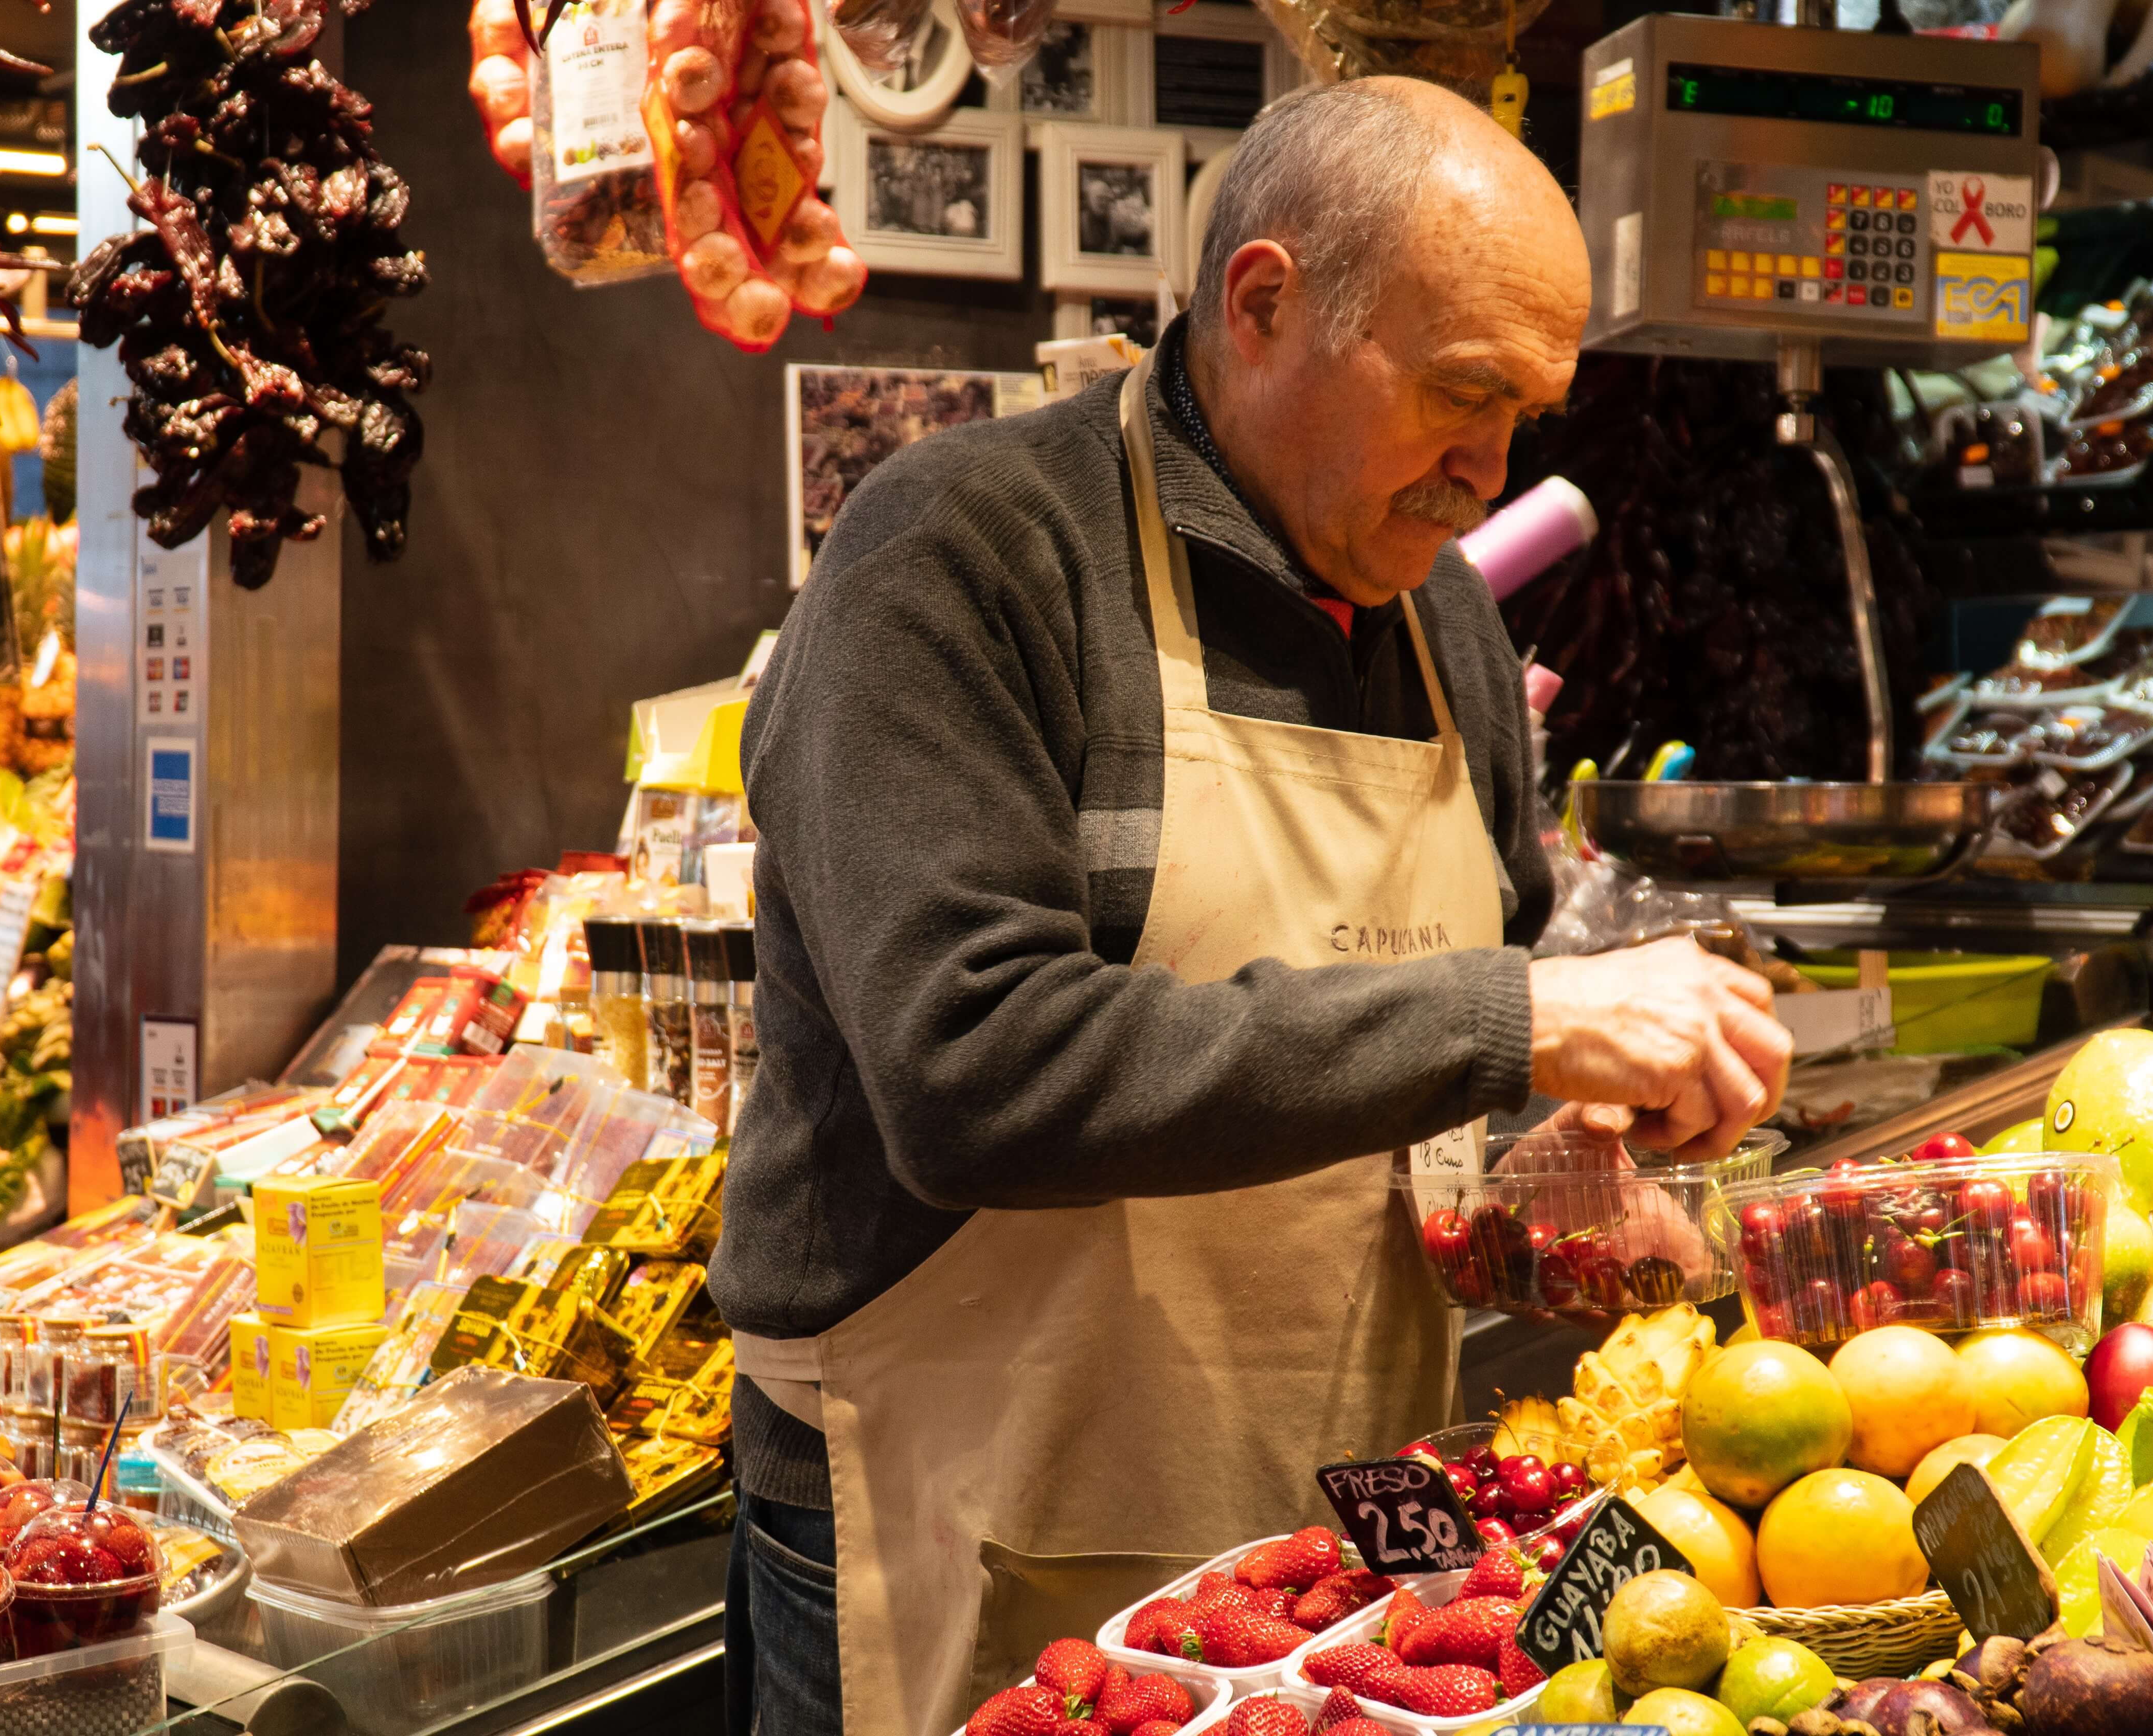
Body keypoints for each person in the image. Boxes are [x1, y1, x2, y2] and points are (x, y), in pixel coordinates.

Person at [715, 76, 1795, 1736]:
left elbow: (1420, 1092)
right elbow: (973, 1069)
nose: (1488, 469)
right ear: (1266, 304)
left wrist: (1563, 1183)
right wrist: (1517, 1020)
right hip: (987, 1517)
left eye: (1528, 416)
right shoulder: (963, 558)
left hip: (1349, 1552)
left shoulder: (1448, 628)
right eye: (1458, 394)